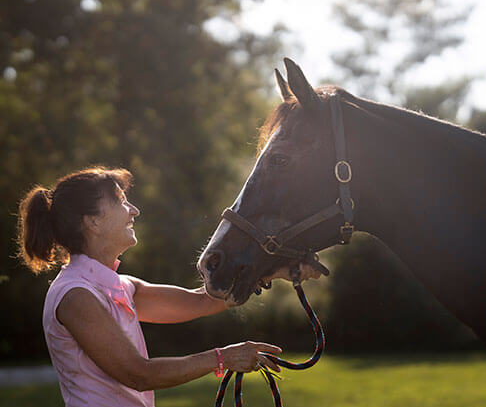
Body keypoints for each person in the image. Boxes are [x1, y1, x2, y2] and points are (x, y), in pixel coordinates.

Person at [17, 166, 318, 407]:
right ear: (92, 222)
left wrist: (274, 270)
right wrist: (223, 358)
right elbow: (138, 374)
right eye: (121, 201)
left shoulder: (120, 286)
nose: (134, 210)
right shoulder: (75, 296)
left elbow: (201, 301)